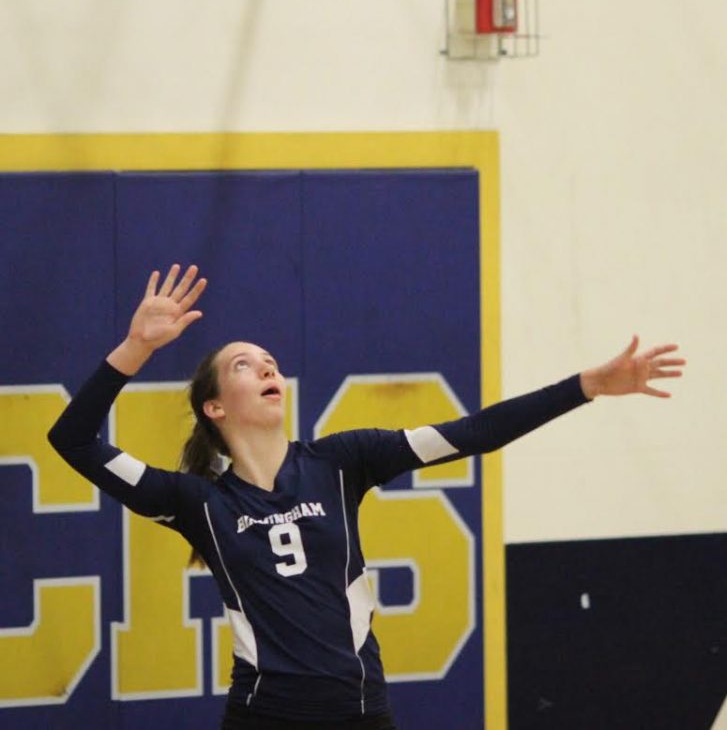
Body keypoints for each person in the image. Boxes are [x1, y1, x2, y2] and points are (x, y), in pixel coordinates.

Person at [48, 264, 685, 730]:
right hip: (263, 717)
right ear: (214, 406)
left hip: (360, 715)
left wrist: (587, 385)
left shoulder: (341, 462)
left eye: (269, 361)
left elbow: (472, 433)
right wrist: (136, 350)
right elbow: (72, 438)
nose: (267, 367)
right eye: (245, 365)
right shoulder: (197, 503)